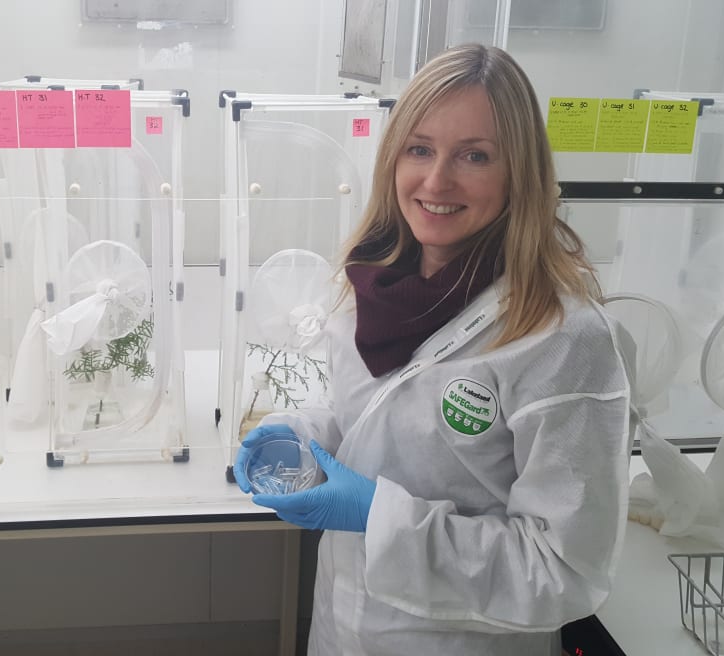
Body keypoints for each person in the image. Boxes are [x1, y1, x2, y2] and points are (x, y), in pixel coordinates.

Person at [233, 44, 632, 655]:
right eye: (420, 149)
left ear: (519, 172)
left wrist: (377, 516)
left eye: (474, 156)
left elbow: (563, 572)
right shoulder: (372, 280)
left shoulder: (561, 337)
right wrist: (301, 432)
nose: (436, 181)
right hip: (342, 629)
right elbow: (367, 419)